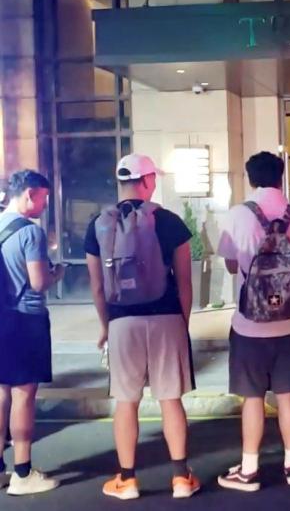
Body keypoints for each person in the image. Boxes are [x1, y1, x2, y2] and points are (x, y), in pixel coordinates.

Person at [84, 154, 200, 500]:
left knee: (126, 401)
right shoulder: (169, 221)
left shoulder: (98, 225)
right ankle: (181, 478)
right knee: (170, 399)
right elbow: (185, 282)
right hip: (166, 319)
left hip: (122, 322)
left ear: (121, 183)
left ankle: (127, 479)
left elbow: (97, 287)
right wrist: (182, 322)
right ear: (148, 180)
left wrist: (107, 326)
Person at [217, 151, 290, 492]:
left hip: (250, 323)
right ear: (280, 177)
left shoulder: (239, 214)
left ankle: (249, 470)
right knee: (289, 394)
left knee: (254, 397)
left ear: (250, 178)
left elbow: (231, 265)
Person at [0, 170, 63, 495]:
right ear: (28, 194)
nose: (44, 203)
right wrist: (56, 274)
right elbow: (38, 282)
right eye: (43, 197)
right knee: (24, 394)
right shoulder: (30, 233)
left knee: (1, 393)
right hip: (26, 321)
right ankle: (23, 472)